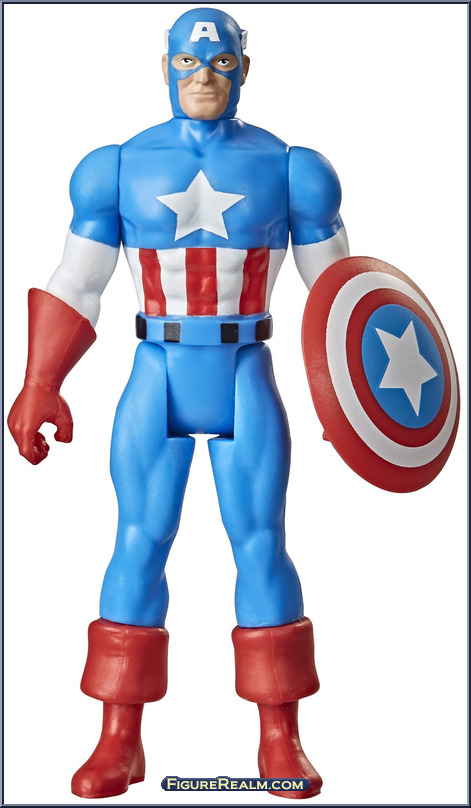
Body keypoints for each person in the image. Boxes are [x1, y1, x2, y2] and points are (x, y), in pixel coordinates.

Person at [8, 7, 349, 800]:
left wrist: (353, 401)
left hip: (243, 367)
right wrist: (39, 380)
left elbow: (339, 296)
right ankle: (118, 739)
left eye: (220, 62)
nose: (203, 75)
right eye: (188, 61)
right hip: (155, 368)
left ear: (243, 70)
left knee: (260, 545)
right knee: (137, 541)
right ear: (162, 66)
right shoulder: (117, 168)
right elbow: (77, 282)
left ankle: (279, 737)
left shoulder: (290, 169)